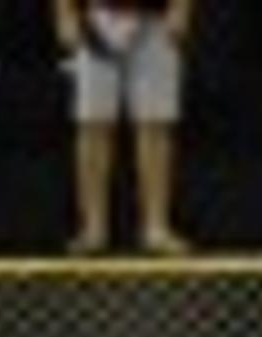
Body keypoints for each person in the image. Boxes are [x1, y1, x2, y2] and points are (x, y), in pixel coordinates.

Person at [59, 0, 193, 254]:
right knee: (92, 123)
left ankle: (156, 226)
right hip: (95, 19)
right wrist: (65, 14)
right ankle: (93, 227)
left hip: (155, 19)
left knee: (155, 123)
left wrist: (181, 8)